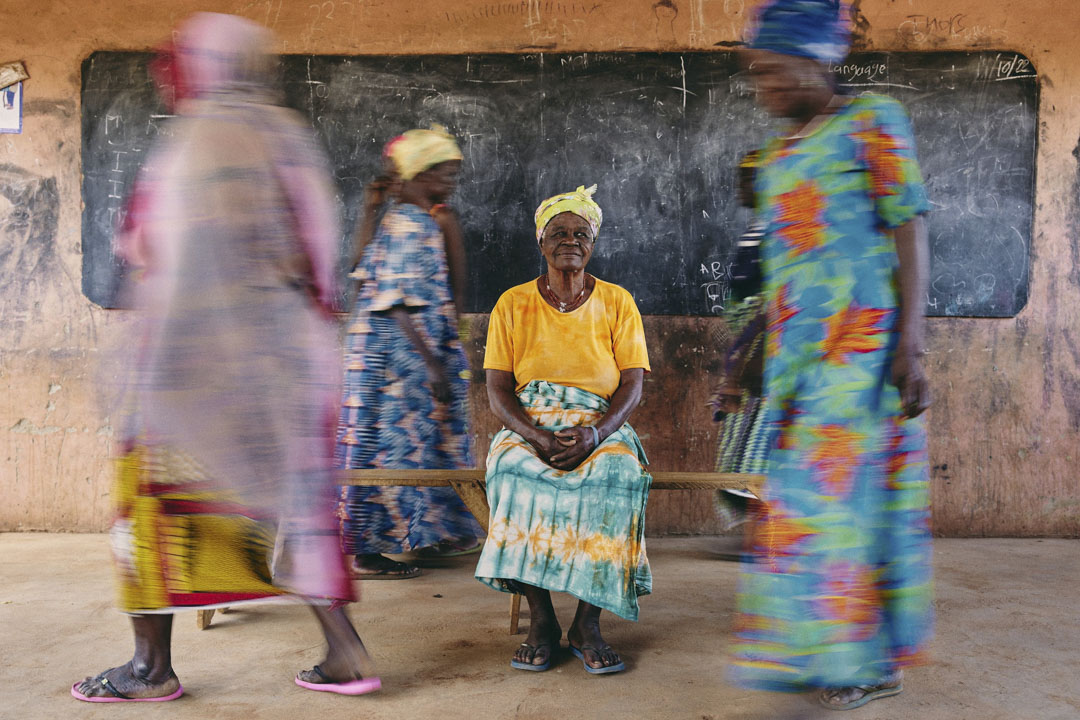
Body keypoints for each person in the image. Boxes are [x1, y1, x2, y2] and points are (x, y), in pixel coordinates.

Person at [73, 14, 378, 702]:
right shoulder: (285, 134)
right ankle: (344, 649)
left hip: (195, 369)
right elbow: (321, 258)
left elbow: (155, 251)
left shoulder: (194, 142)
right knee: (296, 502)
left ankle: (150, 668)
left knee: (150, 505)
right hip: (290, 368)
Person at [728, 0, 934, 711]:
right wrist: (759, 357)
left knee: (828, 509)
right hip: (799, 364)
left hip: (862, 353)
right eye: (756, 75)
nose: (763, 88)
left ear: (817, 59)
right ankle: (837, 656)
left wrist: (911, 342)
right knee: (816, 507)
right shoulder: (781, 154)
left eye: (772, 71)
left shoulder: (873, 122)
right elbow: (787, 269)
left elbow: (908, 229)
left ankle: (849, 660)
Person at [475, 185, 652, 675]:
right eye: (559, 232)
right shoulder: (512, 304)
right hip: (532, 421)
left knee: (619, 475)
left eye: (581, 233)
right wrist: (534, 435)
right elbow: (499, 391)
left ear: (592, 245)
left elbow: (632, 385)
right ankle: (542, 622)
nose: (569, 240)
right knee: (511, 471)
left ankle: (588, 624)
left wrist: (597, 435)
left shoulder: (618, 302)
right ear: (541, 242)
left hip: (599, 421)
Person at [336, 126, 483, 579]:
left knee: (417, 445)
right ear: (420, 172)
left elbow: (360, 269)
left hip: (399, 357)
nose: (451, 179)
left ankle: (426, 535)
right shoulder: (411, 222)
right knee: (389, 449)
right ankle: (365, 551)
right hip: (396, 361)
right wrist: (434, 364)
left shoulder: (407, 218)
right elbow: (395, 300)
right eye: (444, 170)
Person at [709, 150, 768, 545]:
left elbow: (772, 306)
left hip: (765, 358)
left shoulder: (782, 231)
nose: (741, 187)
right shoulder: (760, 227)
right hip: (751, 354)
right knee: (742, 445)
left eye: (748, 179)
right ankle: (756, 537)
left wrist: (737, 367)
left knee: (761, 450)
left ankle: (766, 538)